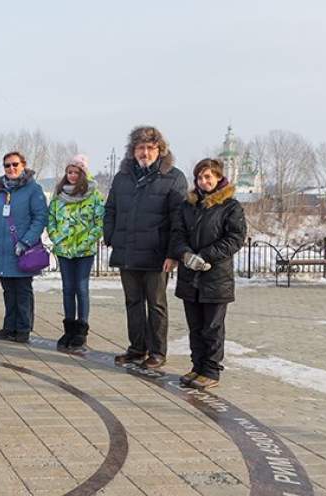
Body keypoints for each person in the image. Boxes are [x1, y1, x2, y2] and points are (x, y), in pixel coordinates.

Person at [104, 125, 187, 369]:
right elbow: (111, 209)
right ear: (133, 151)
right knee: (133, 302)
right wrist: (110, 236)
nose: (145, 153)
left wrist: (173, 253)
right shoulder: (123, 177)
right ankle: (137, 348)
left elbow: (178, 219)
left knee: (157, 304)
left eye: (151, 148)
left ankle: (157, 351)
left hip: (156, 253)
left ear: (160, 150)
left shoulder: (173, 177)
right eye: (140, 148)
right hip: (127, 250)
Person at [170, 158, 246, 389]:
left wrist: (205, 255)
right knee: (195, 326)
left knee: (212, 326)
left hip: (215, 277)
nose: (204, 181)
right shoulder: (188, 206)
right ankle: (197, 366)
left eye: (208, 177)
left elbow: (235, 238)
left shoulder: (231, 207)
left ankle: (211, 370)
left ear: (218, 177)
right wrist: (184, 254)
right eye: (200, 177)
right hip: (190, 275)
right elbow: (177, 233)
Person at [0, 151, 47, 343]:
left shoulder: (33, 190)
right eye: (7, 165)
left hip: (22, 250)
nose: (11, 168)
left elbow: (40, 218)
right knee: (8, 290)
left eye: (15, 164)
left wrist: (26, 241)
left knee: (23, 290)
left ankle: (23, 328)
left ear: (23, 165)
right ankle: (9, 326)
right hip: (2, 249)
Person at [46, 154, 105, 352]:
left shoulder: (93, 195)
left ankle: (81, 330)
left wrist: (86, 241)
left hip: (84, 250)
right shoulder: (59, 195)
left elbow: (99, 222)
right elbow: (51, 219)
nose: (72, 175)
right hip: (64, 249)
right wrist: (56, 237)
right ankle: (69, 328)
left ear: (83, 174)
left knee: (81, 287)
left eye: (76, 172)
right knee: (67, 288)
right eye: (69, 172)